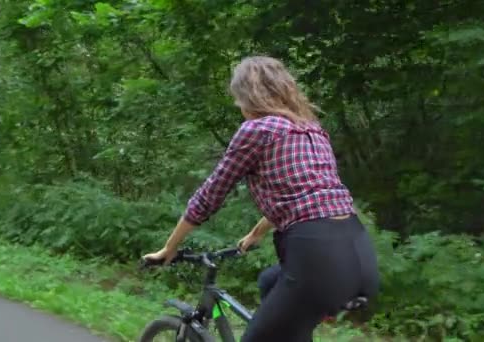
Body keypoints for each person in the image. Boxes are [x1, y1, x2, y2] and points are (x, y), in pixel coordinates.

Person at [143, 56, 379, 342]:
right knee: (270, 282)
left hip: (317, 257)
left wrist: (169, 248)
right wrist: (255, 233)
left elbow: (209, 196)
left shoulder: (257, 130)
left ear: (247, 95)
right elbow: (306, 194)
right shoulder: (312, 129)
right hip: (357, 255)